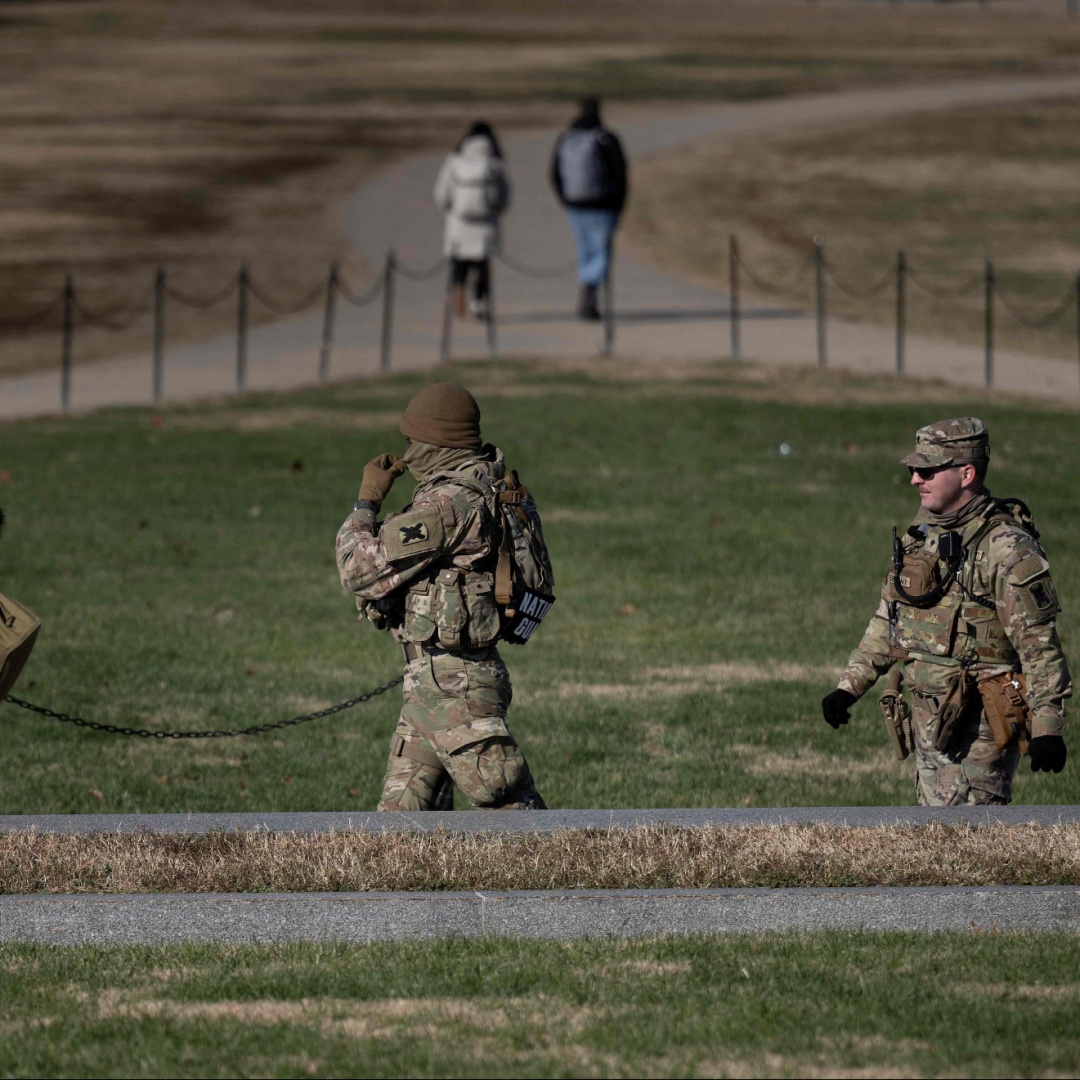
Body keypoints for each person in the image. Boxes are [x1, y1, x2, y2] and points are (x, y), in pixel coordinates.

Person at [821, 418, 1070, 806]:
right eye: (913, 470)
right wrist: (849, 686)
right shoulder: (923, 531)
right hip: (929, 722)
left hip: (978, 726)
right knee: (935, 829)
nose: (915, 480)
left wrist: (1047, 726)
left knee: (968, 835)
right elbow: (892, 617)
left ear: (966, 473)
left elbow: (1038, 645)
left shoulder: (1005, 548)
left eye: (927, 471)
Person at [336, 382, 547, 811]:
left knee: (516, 815)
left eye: (412, 442)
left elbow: (358, 570)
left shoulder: (447, 504)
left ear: (435, 444)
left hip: (454, 691)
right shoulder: (488, 484)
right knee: (404, 826)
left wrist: (365, 504)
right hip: (434, 686)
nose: (407, 452)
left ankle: (576, 857)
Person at [550, 96, 628, 321]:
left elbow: (554, 173)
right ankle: (590, 294)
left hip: (576, 206)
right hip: (603, 206)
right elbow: (620, 175)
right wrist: (618, 205)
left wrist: (565, 199)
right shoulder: (605, 139)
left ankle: (588, 291)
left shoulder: (567, 138)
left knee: (586, 249)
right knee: (600, 251)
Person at [433, 121, 510, 320]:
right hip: (485, 224)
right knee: (482, 265)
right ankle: (478, 302)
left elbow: (441, 194)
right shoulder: (495, 162)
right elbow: (504, 197)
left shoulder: (455, 161)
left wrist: (451, 211)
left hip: (459, 222)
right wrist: (495, 212)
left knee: (460, 263)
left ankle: (457, 289)